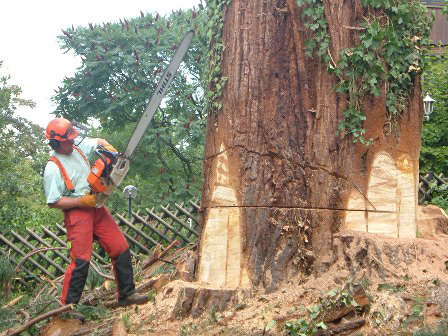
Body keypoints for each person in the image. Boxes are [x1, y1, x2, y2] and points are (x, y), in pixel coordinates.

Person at [43, 117, 148, 320]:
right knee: (81, 260)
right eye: (69, 140)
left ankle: (126, 294)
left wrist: (110, 150)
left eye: (73, 138)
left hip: (97, 206)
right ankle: (66, 311)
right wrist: (82, 201)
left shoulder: (78, 148)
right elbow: (53, 201)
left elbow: (98, 141)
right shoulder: (53, 167)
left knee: (120, 247)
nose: (73, 142)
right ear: (56, 142)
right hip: (78, 211)